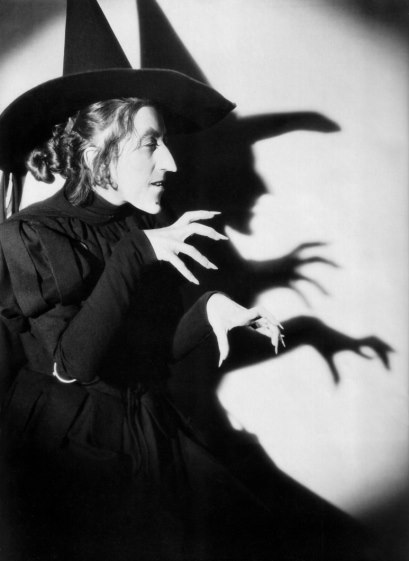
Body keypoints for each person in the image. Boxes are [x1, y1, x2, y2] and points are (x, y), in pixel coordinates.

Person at [0, 70, 293, 560]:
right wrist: (136, 251)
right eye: (151, 144)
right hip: (67, 446)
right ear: (94, 156)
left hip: (145, 424)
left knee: (254, 534)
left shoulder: (143, 223)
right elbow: (74, 365)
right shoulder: (32, 234)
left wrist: (209, 311)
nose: (170, 162)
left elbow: (147, 356)